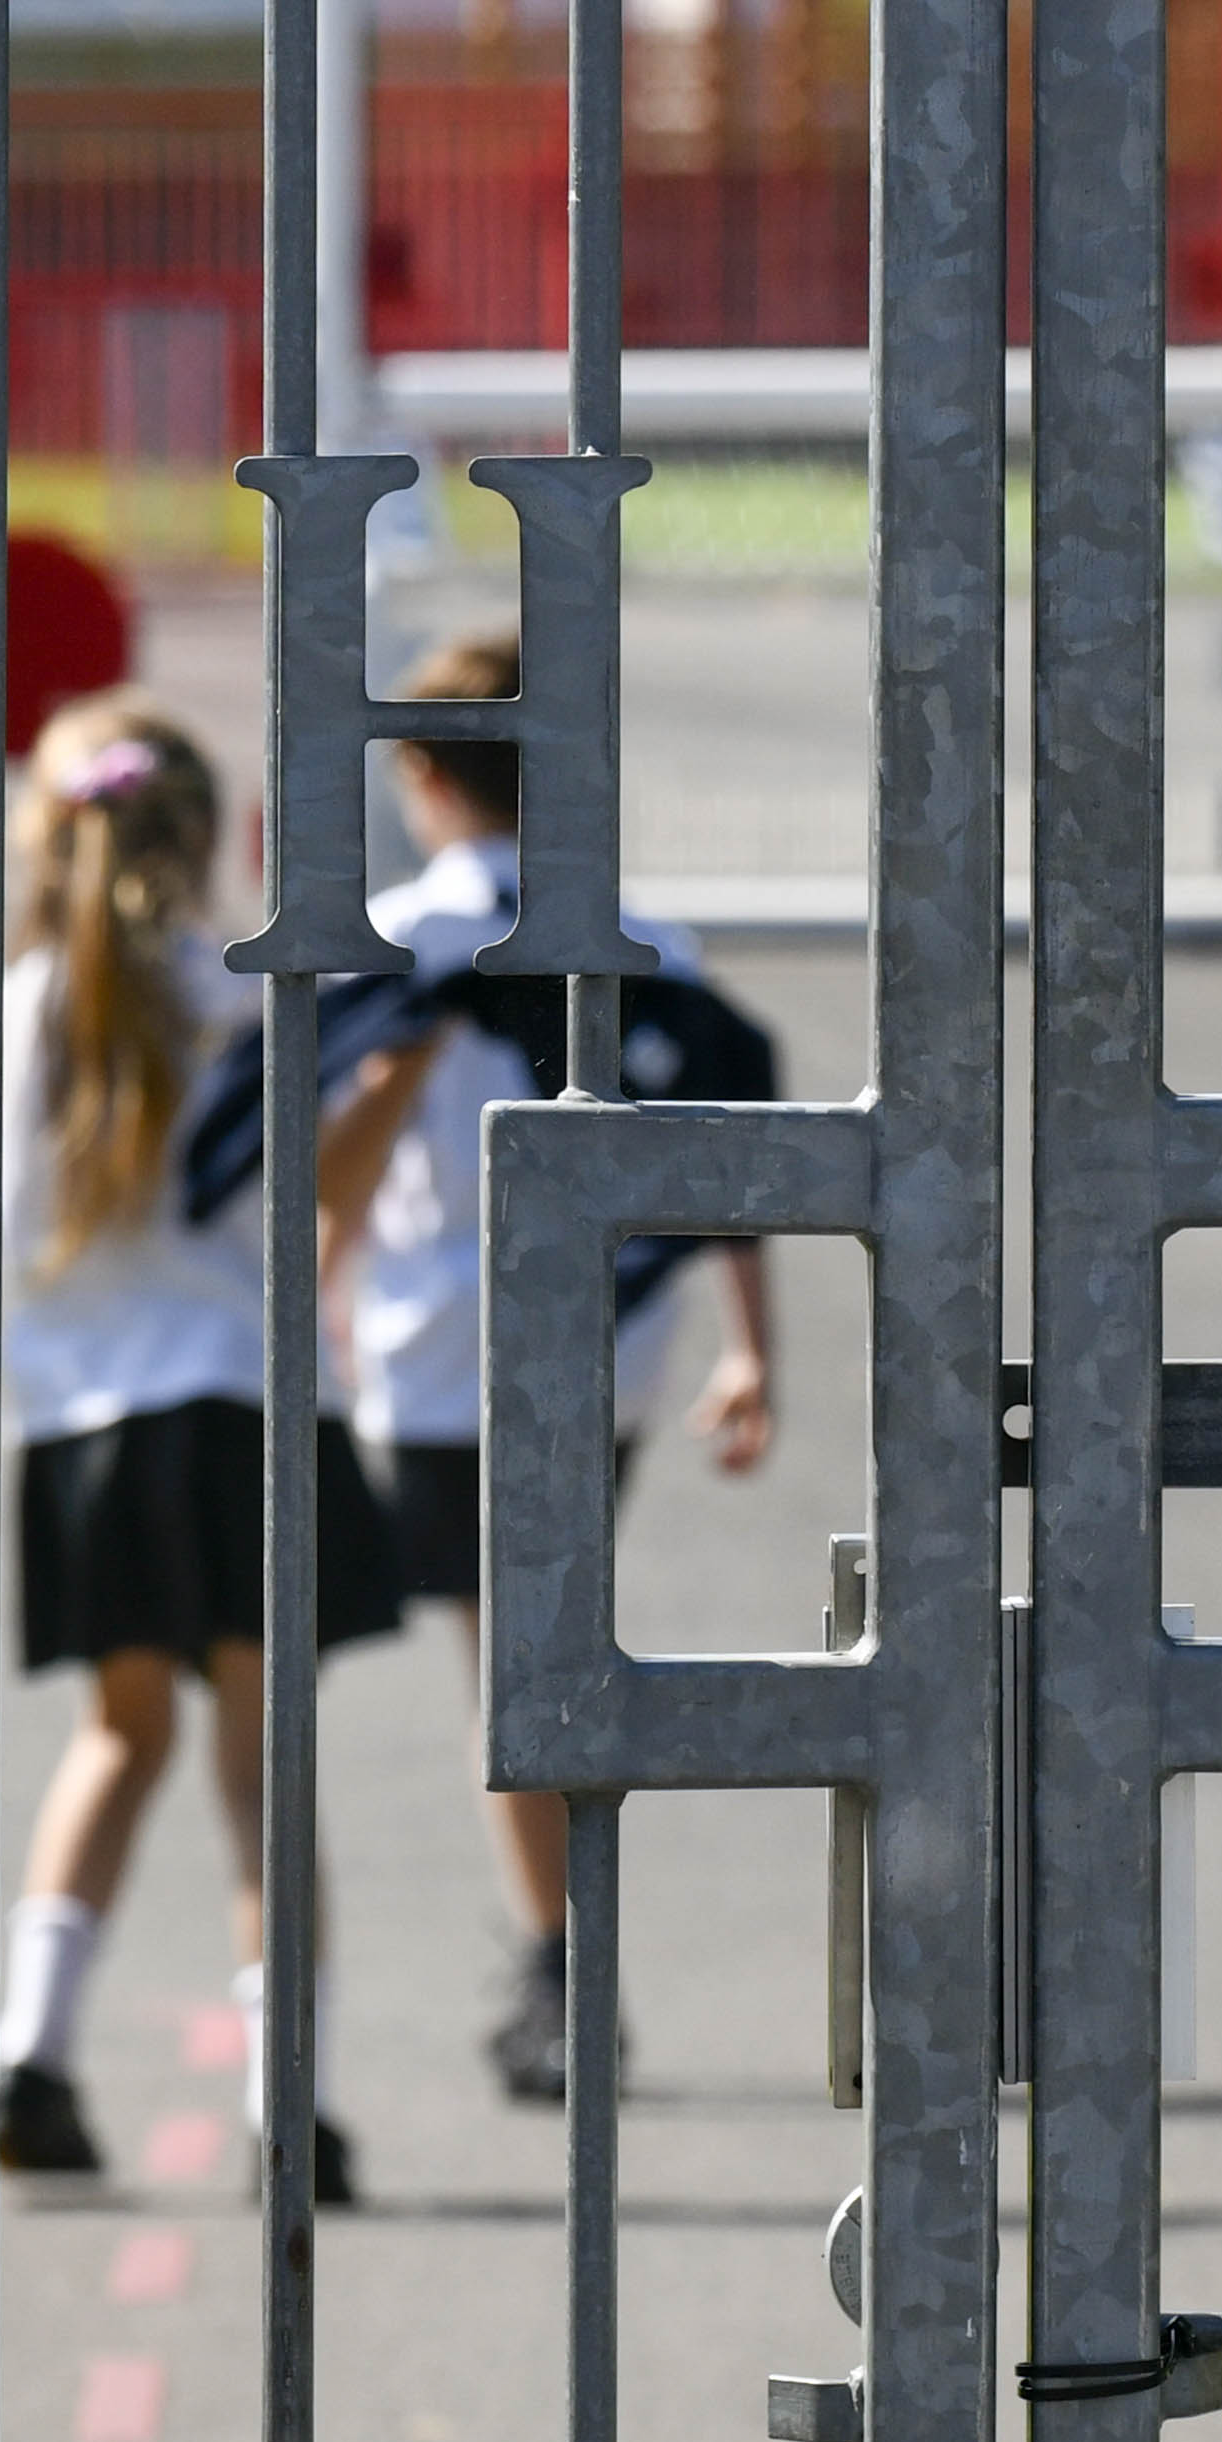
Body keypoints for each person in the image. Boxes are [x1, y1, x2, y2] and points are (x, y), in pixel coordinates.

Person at [0, 693, 434, 2193]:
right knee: (264, 1772)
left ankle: (35, 2049)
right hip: (245, 1411)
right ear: (211, 842)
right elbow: (311, 1203)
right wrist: (392, 1088)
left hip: (81, 1431)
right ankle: (291, 2105)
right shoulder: (245, 994)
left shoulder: (13, 1013)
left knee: (118, 1737)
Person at [332, 625, 783, 2103]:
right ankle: (557, 1948)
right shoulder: (650, 941)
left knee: (509, 1663)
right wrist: (750, 1346)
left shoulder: (405, 938)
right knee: (542, 1639)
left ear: (417, 774)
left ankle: (558, 1958)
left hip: (445, 1347)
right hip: (613, 1343)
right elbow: (724, 1149)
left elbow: (363, 1136)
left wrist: (313, 1273)